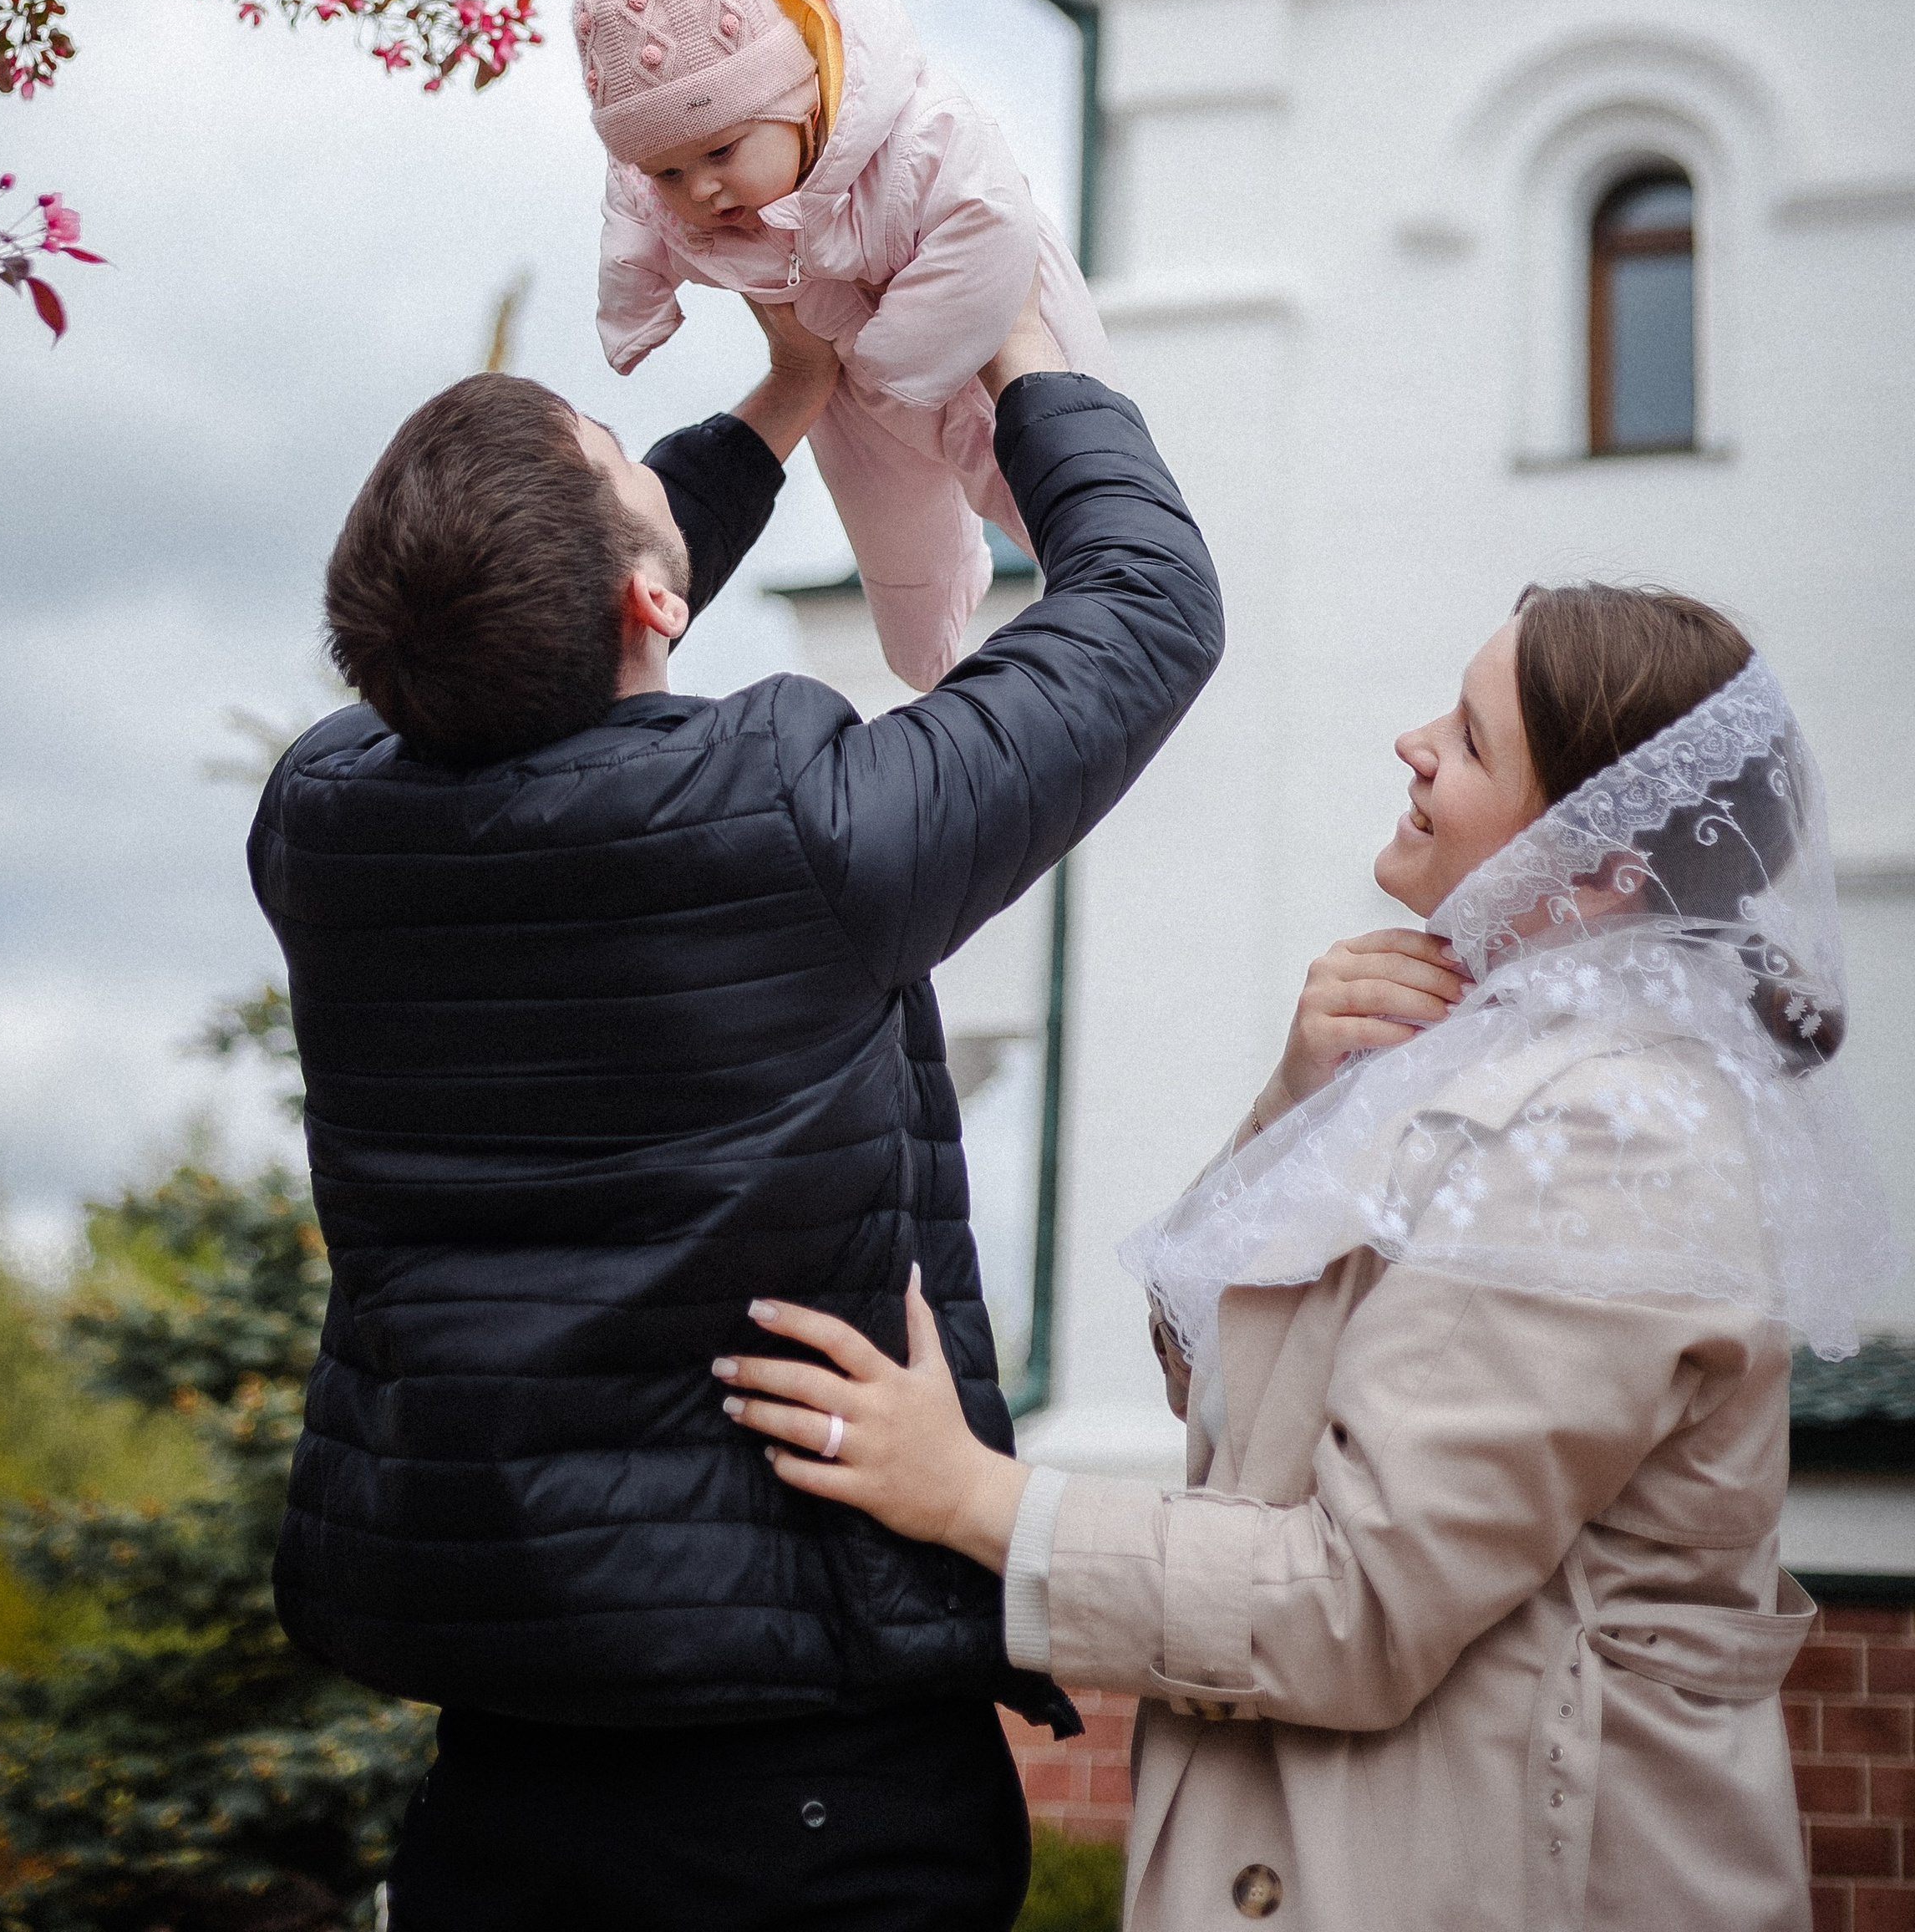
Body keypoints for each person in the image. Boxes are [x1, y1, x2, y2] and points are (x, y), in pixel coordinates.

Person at [249, 288, 1223, 1932]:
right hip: (811, 1787)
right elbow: (1146, 605)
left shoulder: (326, 828)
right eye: (620, 457)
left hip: (500, 1771)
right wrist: (1012, 341)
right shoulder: (796, 828)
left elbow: (507, 646)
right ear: (647, 592)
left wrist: (777, 406)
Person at [719, 584, 1898, 1932]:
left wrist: (972, 1498)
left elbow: (1354, 1602)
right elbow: (1214, 1382)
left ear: (1602, 863)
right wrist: (1297, 1099)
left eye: (1467, 738)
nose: (1412, 745)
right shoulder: (1475, 1055)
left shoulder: (1617, 1135)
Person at [567, 0, 1113, 690]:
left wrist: (894, 354)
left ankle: (1104, 589)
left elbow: (991, 222)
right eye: (671, 171)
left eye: (723, 152)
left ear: (793, 102)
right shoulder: (664, 196)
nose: (703, 192)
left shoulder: (920, 136)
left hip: (983, 337)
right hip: (852, 384)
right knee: (889, 529)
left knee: (1053, 480)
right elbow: (631, 226)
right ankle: (924, 655)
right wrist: (637, 313)